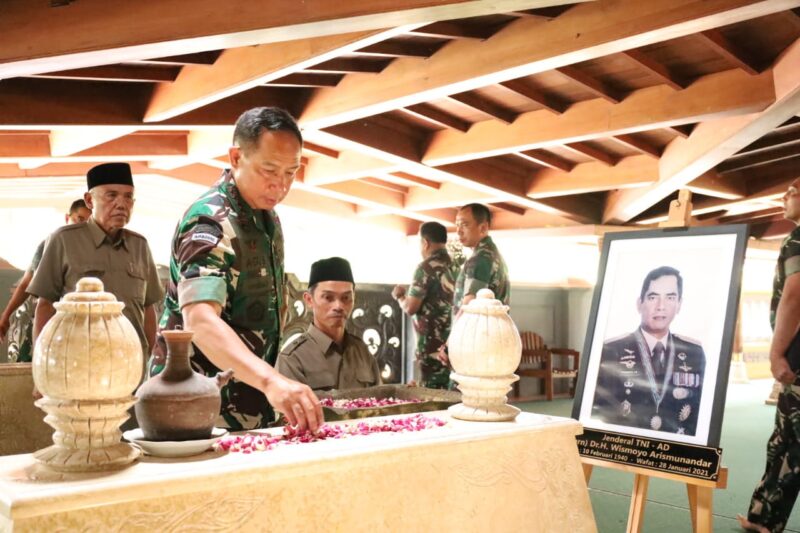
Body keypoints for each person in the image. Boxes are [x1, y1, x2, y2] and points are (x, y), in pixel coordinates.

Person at [148, 107, 322, 432]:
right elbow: (199, 320)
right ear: (236, 157)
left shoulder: (265, 217)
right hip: (193, 406)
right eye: (269, 169)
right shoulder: (210, 221)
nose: (280, 185)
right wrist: (271, 381)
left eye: (291, 172)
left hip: (245, 404)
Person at [28, 164, 162, 359]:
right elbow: (45, 305)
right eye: (111, 195)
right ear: (89, 200)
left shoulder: (139, 246)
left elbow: (148, 309)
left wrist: (151, 359)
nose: (121, 204)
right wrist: (41, 365)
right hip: (79, 364)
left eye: (128, 197)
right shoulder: (64, 240)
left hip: (132, 367)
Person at [739, 178, 800, 533]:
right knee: (786, 441)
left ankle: (765, 520)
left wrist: (776, 353)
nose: (785, 196)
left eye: (793, 192)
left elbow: (795, 293)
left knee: (788, 442)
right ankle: (765, 519)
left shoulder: (797, 240)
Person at [592, 266, 706, 436]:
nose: (661, 306)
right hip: (628, 444)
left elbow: (699, 411)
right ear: (640, 304)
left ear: (679, 304)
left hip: (676, 447)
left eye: (670, 297)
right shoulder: (611, 350)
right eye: (653, 297)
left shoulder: (693, 352)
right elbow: (600, 410)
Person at [0, 199, 91, 362]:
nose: (81, 226)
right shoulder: (51, 243)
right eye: (79, 219)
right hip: (41, 315)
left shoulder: (93, 249)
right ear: (67, 218)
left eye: (88, 222)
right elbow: (26, 283)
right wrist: (6, 315)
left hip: (75, 322)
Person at [277, 257, 381, 392]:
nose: (338, 306)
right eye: (328, 297)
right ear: (309, 300)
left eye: (346, 298)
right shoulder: (292, 359)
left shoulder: (363, 352)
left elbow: (380, 404)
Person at [392, 222, 458, 389]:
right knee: (450, 395)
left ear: (425, 242)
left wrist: (400, 296)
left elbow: (410, 307)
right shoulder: (456, 267)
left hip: (431, 348)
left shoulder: (425, 268)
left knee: (430, 396)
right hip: (453, 346)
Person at [452, 203, 510, 317]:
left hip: (477, 332)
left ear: (483, 228)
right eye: (457, 225)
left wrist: (454, 333)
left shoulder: (480, 258)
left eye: (464, 224)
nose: (458, 231)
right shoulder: (492, 253)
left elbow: (470, 306)